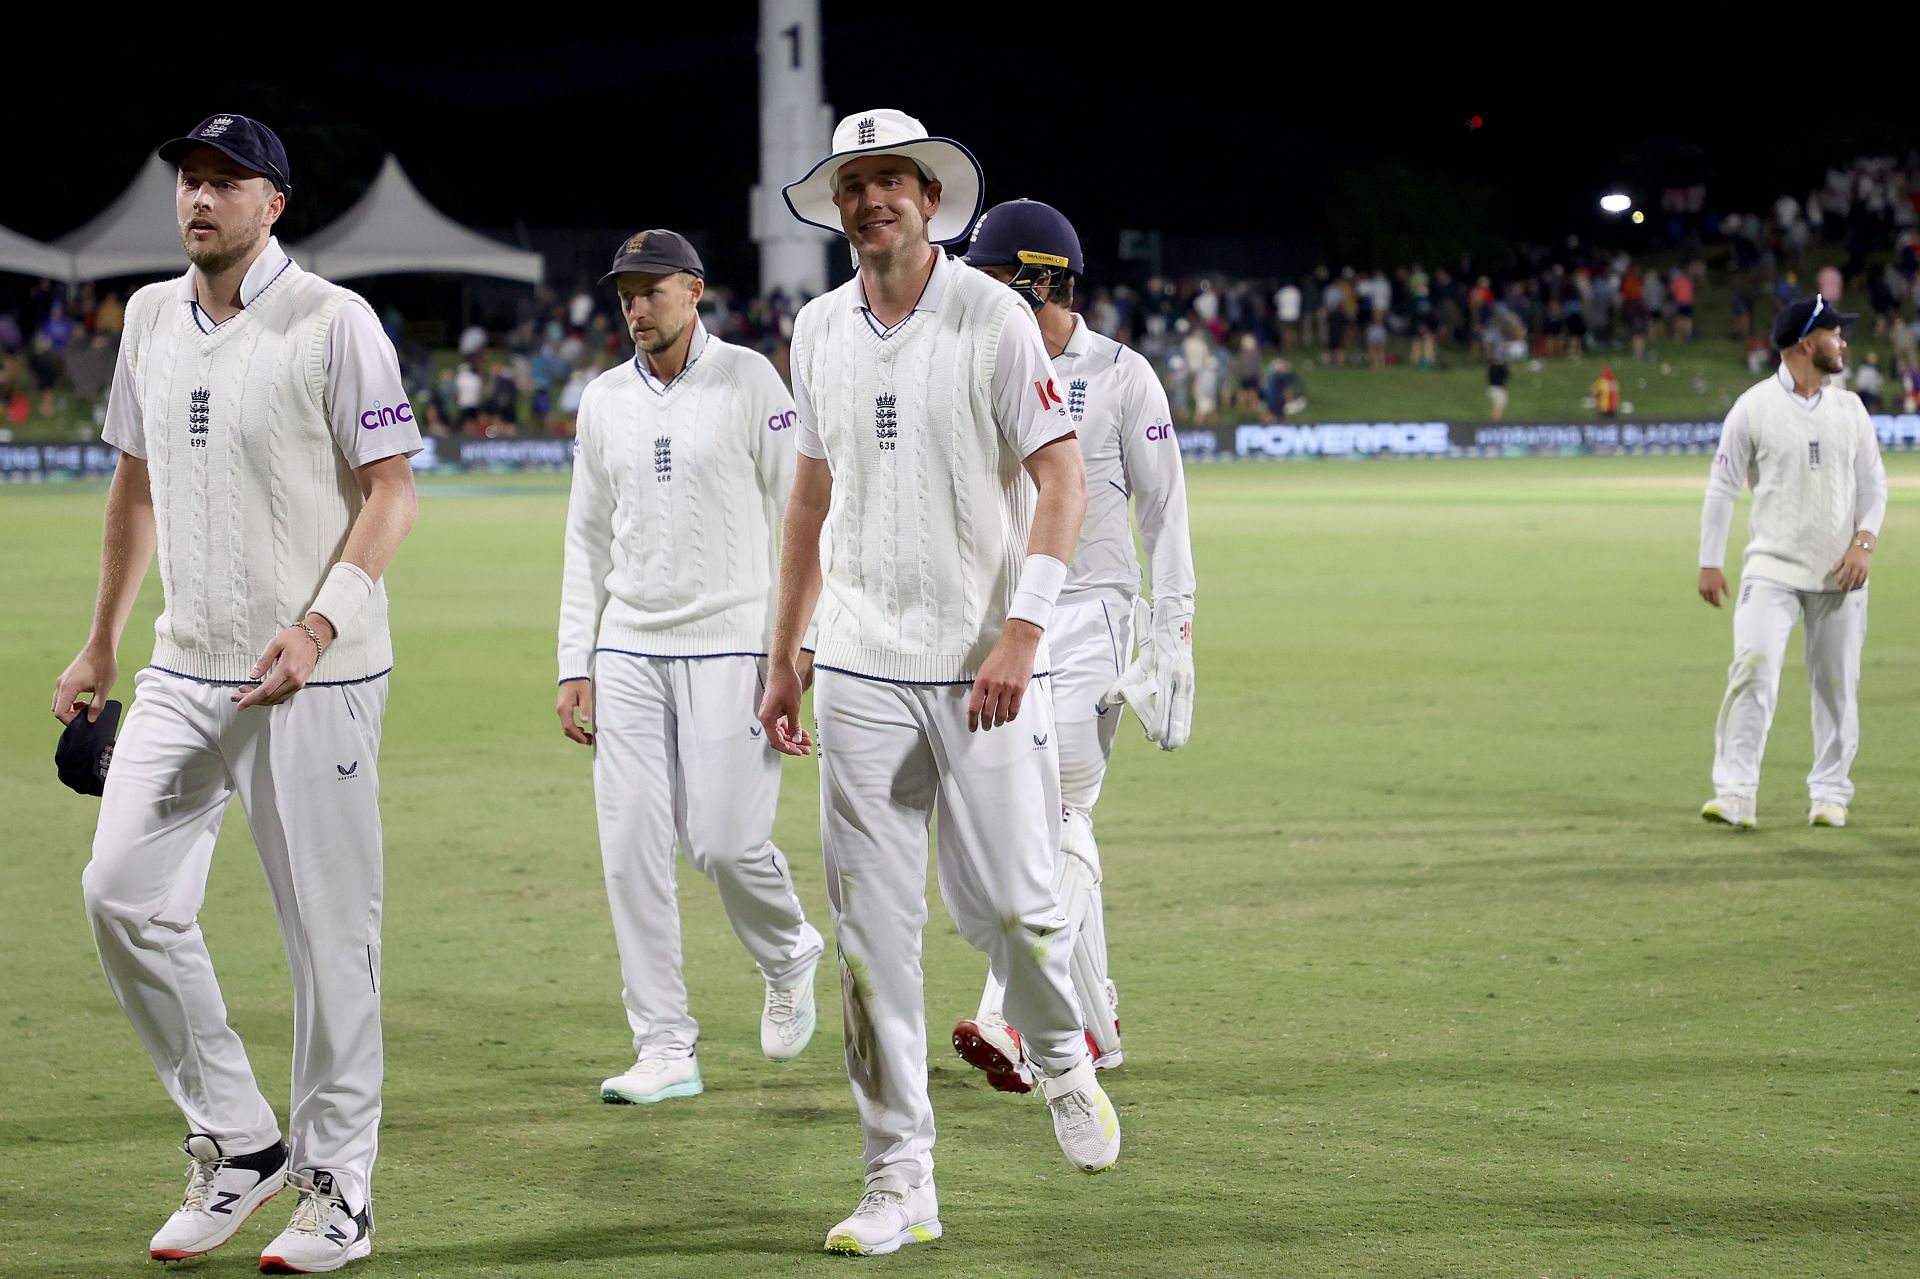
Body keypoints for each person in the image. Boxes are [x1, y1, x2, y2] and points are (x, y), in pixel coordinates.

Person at [51, 114, 420, 1272]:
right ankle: (239, 1138)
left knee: (328, 941)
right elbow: (133, 484)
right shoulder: (152, 318)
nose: (198, 199)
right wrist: (102, 640)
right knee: (120, 892)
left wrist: (320, 625)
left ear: (274, 204)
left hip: (316, 676)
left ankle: (338, 1191)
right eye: (188, 181)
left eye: (224, 182)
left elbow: (393, 490)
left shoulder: (334, 320)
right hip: (183, 664)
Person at [761, 108, 1118, 1257]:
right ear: (838, 205)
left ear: (930, 198)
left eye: (893, 182)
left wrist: (1025, 629)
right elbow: (809, 503)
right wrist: (785, 652)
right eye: (854, 185)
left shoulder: (994, 316)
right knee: (869, 939)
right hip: (861, 665)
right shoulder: (816, 328)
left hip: (982, 664)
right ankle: (897, 1178)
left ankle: (1060, 1052)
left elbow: (1059, 483)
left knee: (1013, 905)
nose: (873, 201)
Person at [555, 229, 824, 1106]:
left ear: (695, 290)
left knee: (723, 839)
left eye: (652, 290)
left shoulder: (750, 380)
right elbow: (586, 537)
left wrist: (798, 642)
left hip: (734, 640)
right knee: (631, 848)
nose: (636, 307)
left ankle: (788, 952)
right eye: (625, 292)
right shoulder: (602, 400)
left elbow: (805, 513)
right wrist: (574, 660)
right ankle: (664, 1044)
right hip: (628, 644)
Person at [949, 199, 1197, 1094]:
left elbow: (1163, 509)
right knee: (1047, 823)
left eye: (989, 274)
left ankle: (1011, 1014)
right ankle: (1094, 1022)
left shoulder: (1124, 375)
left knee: (1054, 811)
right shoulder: (979, 363)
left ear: (1042, 278)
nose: (974, 289)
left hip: (1093, 614)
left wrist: (1172, 631)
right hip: (1003, 618)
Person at [1697, 295, 1886, 829]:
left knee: (1836, 686)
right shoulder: (1753, 407)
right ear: (1808, 342)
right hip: (1771, 569)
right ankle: (1735, 793)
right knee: (1752, 671)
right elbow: (1722, 486)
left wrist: (1863, 543)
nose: (1844, 341)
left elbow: (1874, 487)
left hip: (1840, 575)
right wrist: (1710, 562)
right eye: (1835, 333)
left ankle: (1830, 793)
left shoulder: (1850, 408)